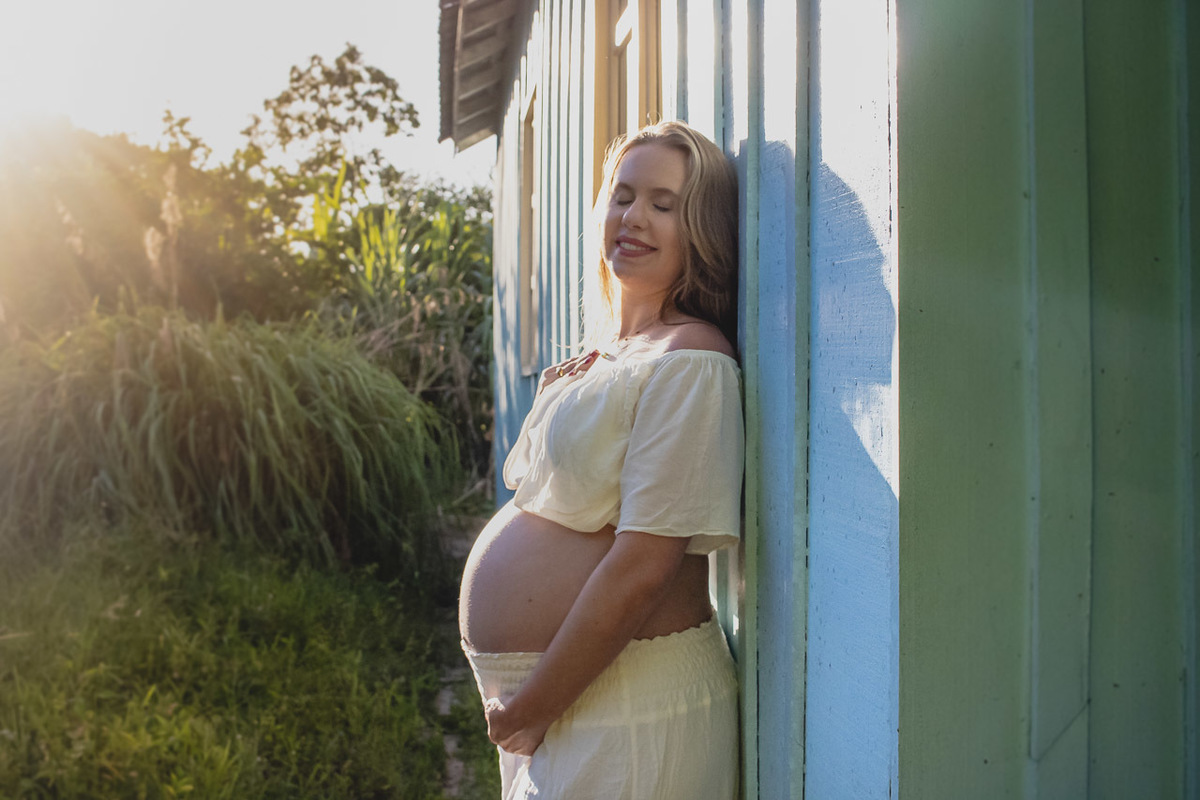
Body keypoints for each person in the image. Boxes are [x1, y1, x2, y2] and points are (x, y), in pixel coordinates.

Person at [458, 119, 743, 799]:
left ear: (698, 230)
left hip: (628, 704)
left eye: (663, 204)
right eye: (622, 195)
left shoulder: (691, 360)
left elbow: (643, 567)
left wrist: (533, 707)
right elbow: (548, 498)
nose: (633, 216)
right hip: (579, 699)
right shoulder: (612, 357)